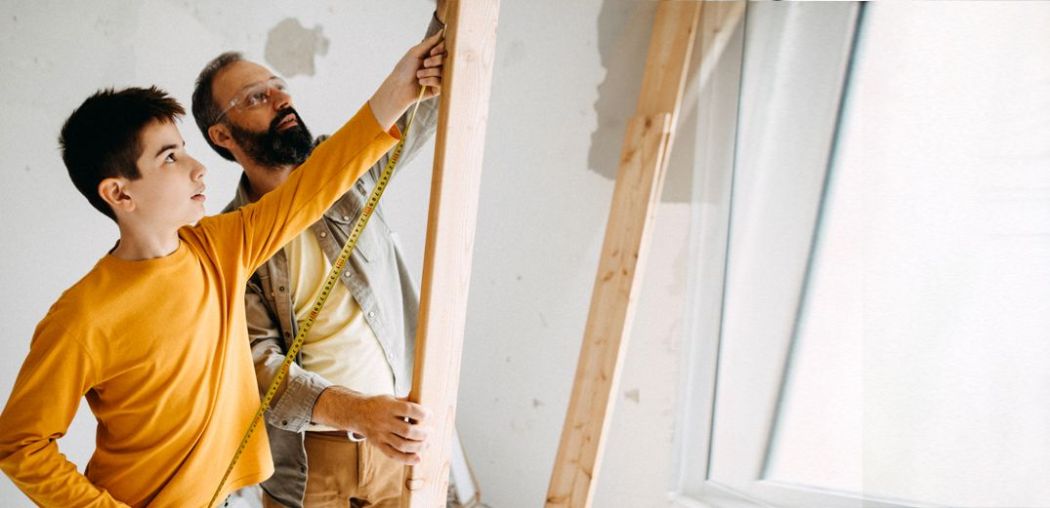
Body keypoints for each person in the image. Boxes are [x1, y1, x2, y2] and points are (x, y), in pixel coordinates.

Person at [0, 32, 443, 507]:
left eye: (185, 148)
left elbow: (317, 182)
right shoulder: (81, 317)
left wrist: (400, 85)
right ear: (119, 194)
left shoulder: (221, 246)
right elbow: (20, 444)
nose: (198, 168)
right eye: (170, 157)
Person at [191, 6, 446, 508]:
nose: (282, 100)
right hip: (307, 467)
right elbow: (259, 365)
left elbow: (425, 102)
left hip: (402, 446)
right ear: (221, 135)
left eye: (279, 85)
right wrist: (357, 413)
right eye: (256, 97)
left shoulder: (350, 167)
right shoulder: (231, 242)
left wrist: (447, 17)